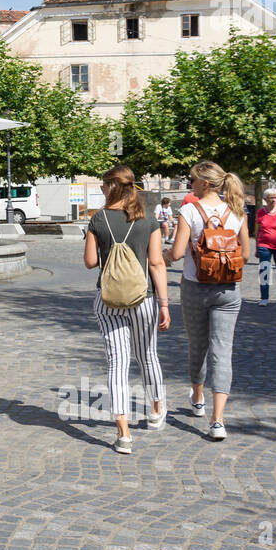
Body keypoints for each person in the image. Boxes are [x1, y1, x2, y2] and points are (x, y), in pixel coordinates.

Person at [83, 166, 169, 454]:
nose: (101, 189)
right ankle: (156, 411)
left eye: (103, 185)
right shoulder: (148, 220)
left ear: (112, 186)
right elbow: (157, 263)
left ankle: (123, 434)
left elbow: (90, 262)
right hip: (143, 299)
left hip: (107, 300)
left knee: (117, 363)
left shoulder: (98, 219)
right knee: (148, 356)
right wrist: (165, 304)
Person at [166, 160, 253, 441]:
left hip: (195, 287)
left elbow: (178, 253)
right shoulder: (237, 210)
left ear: (204, 183)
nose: (190, 183)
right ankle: (218, 421)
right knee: (222, 351)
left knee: (198, 345)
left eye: (192, 179)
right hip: (228, 289)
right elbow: (247, 255)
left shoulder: (189, 210)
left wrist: (162, 257)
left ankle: (198, 399)